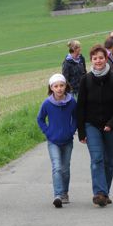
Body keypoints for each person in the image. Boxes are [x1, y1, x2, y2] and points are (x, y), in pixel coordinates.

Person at [76, 45, 113, 207]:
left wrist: (112, 123)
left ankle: (105, 191)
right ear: (91, 60)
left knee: (108, 160)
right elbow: (81, 106)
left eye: (101, 58)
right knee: (97, 158)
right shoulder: (86, 80)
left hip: (112, 125)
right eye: (95, 58)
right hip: (92, 125)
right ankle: (100, 193)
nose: (98, 61)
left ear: (106, 59)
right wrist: (81, 131)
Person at [36, 73, 78, 208]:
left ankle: (65, 192)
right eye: (56, 86)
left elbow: (76, 117)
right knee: (57, 167)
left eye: (61, 85)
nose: (59, 88)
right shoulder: (47, 103)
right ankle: (58, 195)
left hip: (67, 140)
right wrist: (47, 132)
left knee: (65, 168)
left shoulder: (71, 102)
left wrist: (72, 130)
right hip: (53, 140)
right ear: (51, 88)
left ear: (66, 86)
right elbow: (40, 119)